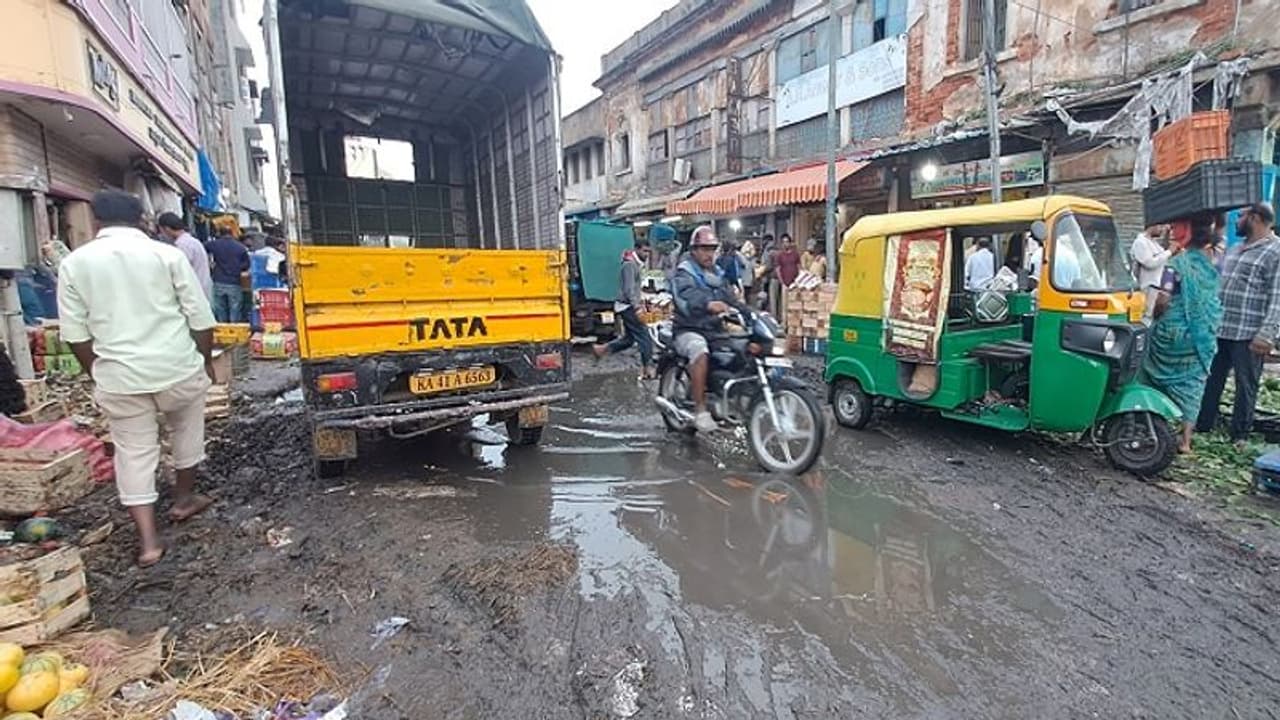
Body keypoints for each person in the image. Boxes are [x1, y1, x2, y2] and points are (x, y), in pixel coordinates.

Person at [56, 190, 218, 568]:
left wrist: (97, 371)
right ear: (143, 219)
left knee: (133, 452)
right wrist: (203, 360)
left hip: (119, 376)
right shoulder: (167, 255)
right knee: (187, 430)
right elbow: (200, 318)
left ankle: (148, 542)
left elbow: (75, 334)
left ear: (95, 220)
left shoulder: (75, 264)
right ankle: (183, 499)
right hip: (176, 366)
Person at [1196, 202, 1280, 448]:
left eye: (1240, 216)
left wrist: (1267, 334)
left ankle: (1239, 435)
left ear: (1255, 218)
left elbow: (1277, 297)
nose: (1236, 220)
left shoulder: (1275, 251)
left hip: (1249, 333)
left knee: (1246, 384)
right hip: (1222, 327)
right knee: (1212, 378)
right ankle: (1203, 424)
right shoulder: (1236, 248)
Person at [1140, 225, 1220, 454]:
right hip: (1200, 336)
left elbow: (1163, 299)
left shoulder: (1174, 266)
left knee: (1148, 373)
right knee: (1193, 384)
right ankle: (1185, 440)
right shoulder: (1211, 269)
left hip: (1171, 333)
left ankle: (1150, 422)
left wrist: (1154, 315)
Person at [672, 226, 746, 433]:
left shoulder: (718, 273)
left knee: (740, 349)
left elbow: (731, 300)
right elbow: (686, 297)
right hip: (688, 328)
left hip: (714, 329)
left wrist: (753, 314)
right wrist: (707, 304)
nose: (709, 254)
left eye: (712, 249)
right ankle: (700, 410)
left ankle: (728, 398)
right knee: (699, 349)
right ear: (694, 250)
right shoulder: (684, 272)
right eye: (704, 249)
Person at [592, 237, 654, 379]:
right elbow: (628, 289)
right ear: (637, 249)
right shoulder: (630, 265)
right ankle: (647, 369)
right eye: (644, 251)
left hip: (627, 305)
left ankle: (601, 349)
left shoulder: (636, 264)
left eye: (648, 252)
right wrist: (637, 307)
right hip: (627, 306)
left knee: (629, 339)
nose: (646, 255)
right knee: (645, 336)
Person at [157, 212, 213, 300]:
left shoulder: (182, 246)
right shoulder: (193, 241)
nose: (162, 236)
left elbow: (179, 273)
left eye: (161, 232)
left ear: (167, 229)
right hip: (202, 291)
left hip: (194, 294)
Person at [1131, 224, 1171, 321]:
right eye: (1160, 227)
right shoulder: (1141, 242)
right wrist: (1169, 251)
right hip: (1147, 287)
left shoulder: (1154, 243)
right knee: (1146, 317)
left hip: (1156, 288)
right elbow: (1149, 263)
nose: (1162, 230)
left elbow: (1162, 257)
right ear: (1152, 225)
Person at [207, 231, 250, 322]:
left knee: (220, 308)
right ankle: (234, 326)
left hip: (218, 280)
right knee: (235, 308)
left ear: (220, 234)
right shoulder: (240, 247)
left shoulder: (214, 244)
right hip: (234, 282)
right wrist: (237, 268)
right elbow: (246, 265)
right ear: (232, 234)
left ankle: (222, 325)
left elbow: (203, 248)